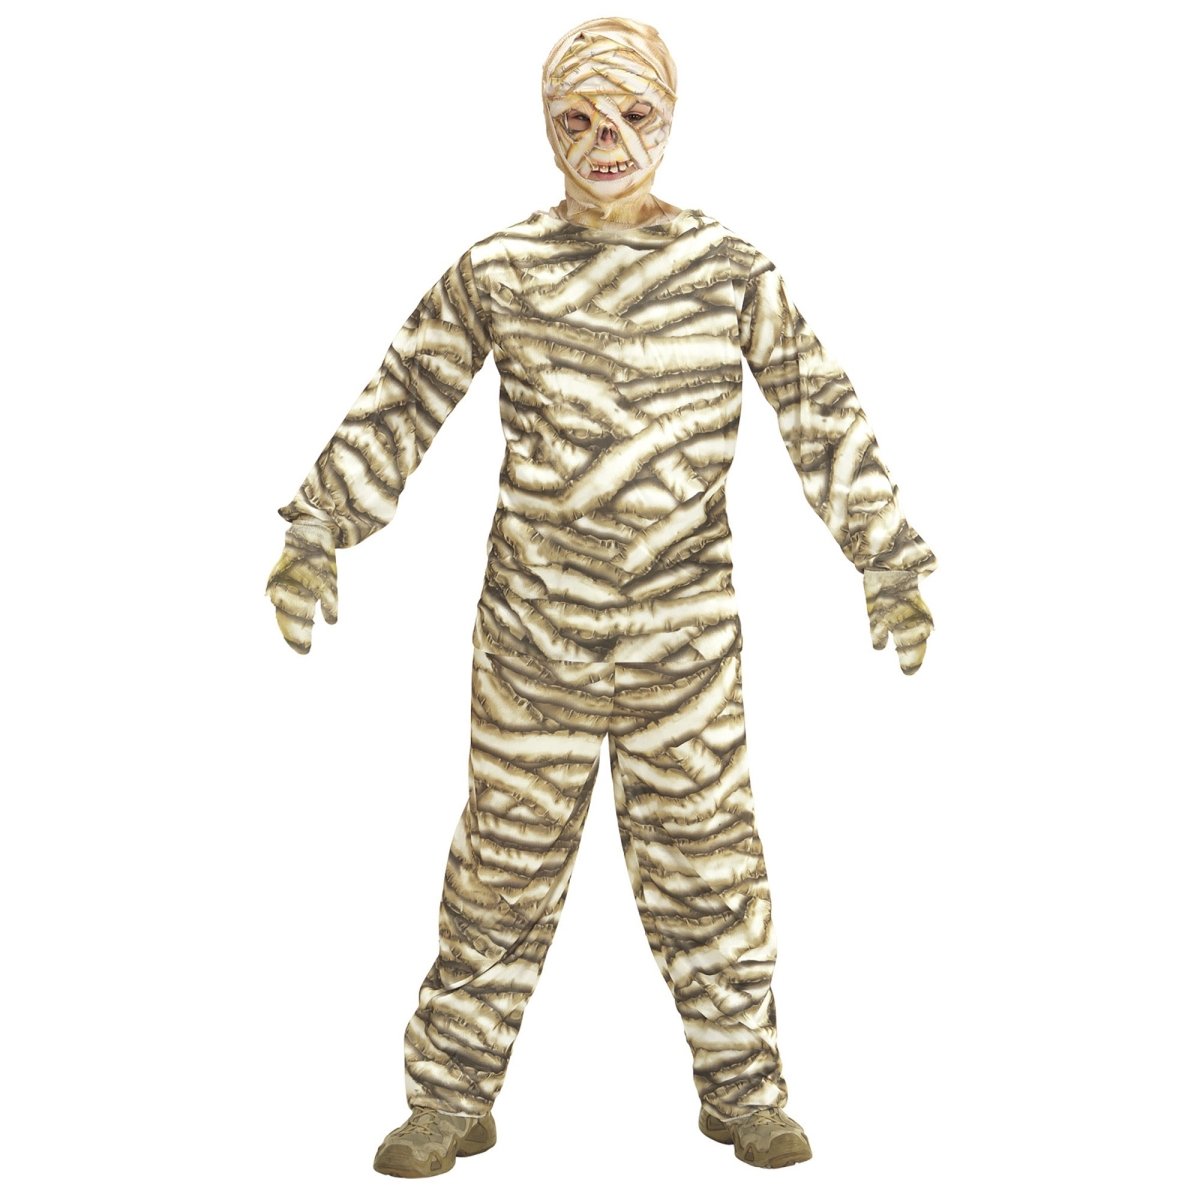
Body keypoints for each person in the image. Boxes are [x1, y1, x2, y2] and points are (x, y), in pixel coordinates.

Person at [265, 15, 936, 1178]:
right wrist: (319, 531)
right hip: (537, 644)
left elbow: (819, 408)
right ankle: (449, 1099)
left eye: (633, 115)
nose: (606, 140)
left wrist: (887, 557)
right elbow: (404, 395)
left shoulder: (728, 269)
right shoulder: (500, 269)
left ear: (671, 120)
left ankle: (745, 1092)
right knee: (499, 874)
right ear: (545, 125)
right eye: (577, 118)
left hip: (687, 644)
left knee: (712, 870)